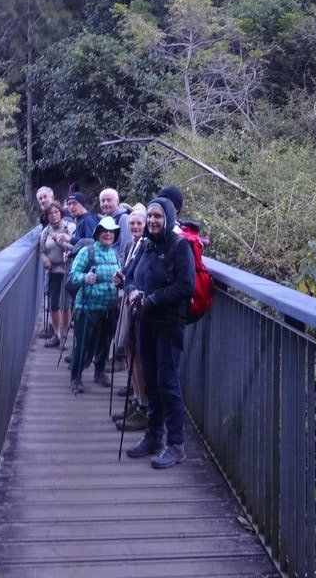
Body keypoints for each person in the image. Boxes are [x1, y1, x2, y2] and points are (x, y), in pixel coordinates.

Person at [124, 196, 194, 469]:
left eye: (158, 217)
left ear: (168, 219)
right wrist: (131, 292)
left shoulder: (179, 246)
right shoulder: (146, 246)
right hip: (146, 322)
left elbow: (185, 286)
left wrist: (151, 299)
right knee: (151, 380)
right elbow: (130, 274)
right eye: (150, 216)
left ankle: (176, 444)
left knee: (167, 381)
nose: (152, 221)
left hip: (168, 324)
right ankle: (153, 435)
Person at [67, 215, 120, 394]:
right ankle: (76, 376)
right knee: (83, 343)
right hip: (88, 306)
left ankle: (99, 371)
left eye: (111, 232)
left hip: (109, 307)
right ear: (97, 233)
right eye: (104, 231)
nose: (108, 234)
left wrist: (119, 280)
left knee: (105, 342)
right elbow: (73, 275)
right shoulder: (87, 252)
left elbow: (118, 275)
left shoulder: (114, 254)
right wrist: (85, 277)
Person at [112, 204, 148, 431]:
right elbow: (129, 271)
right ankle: (137, 399)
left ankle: (142, 404)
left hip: (137, 303)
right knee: (127, 349)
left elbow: (136, 274)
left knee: (136, 352)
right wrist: (121, 278)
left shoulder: (145, 246)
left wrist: (126, 281)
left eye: (139, 223)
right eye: (132, 223)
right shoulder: (130, 245)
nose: (135, 227)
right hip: (127, 300)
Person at [39, 199, 75, 346]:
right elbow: (41, 251)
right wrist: (46, 261)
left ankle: (65, 334)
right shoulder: (45, 231)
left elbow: (74, 246)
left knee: (66, 303)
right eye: (50, 213)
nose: (54, 215)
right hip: (53, 269)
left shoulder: (70, 227)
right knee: (54, 303)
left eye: (56, 212)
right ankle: (57, 334)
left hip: (67, 269)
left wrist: (60, 241)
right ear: (47, 216)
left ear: (60, 213)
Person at [99, 187, 132, 259]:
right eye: (103, 201)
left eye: (109, 200)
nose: (105, 203)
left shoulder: (124, 218)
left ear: (117, 201)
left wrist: (121, 266)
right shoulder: (103, 220)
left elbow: (126, 246)